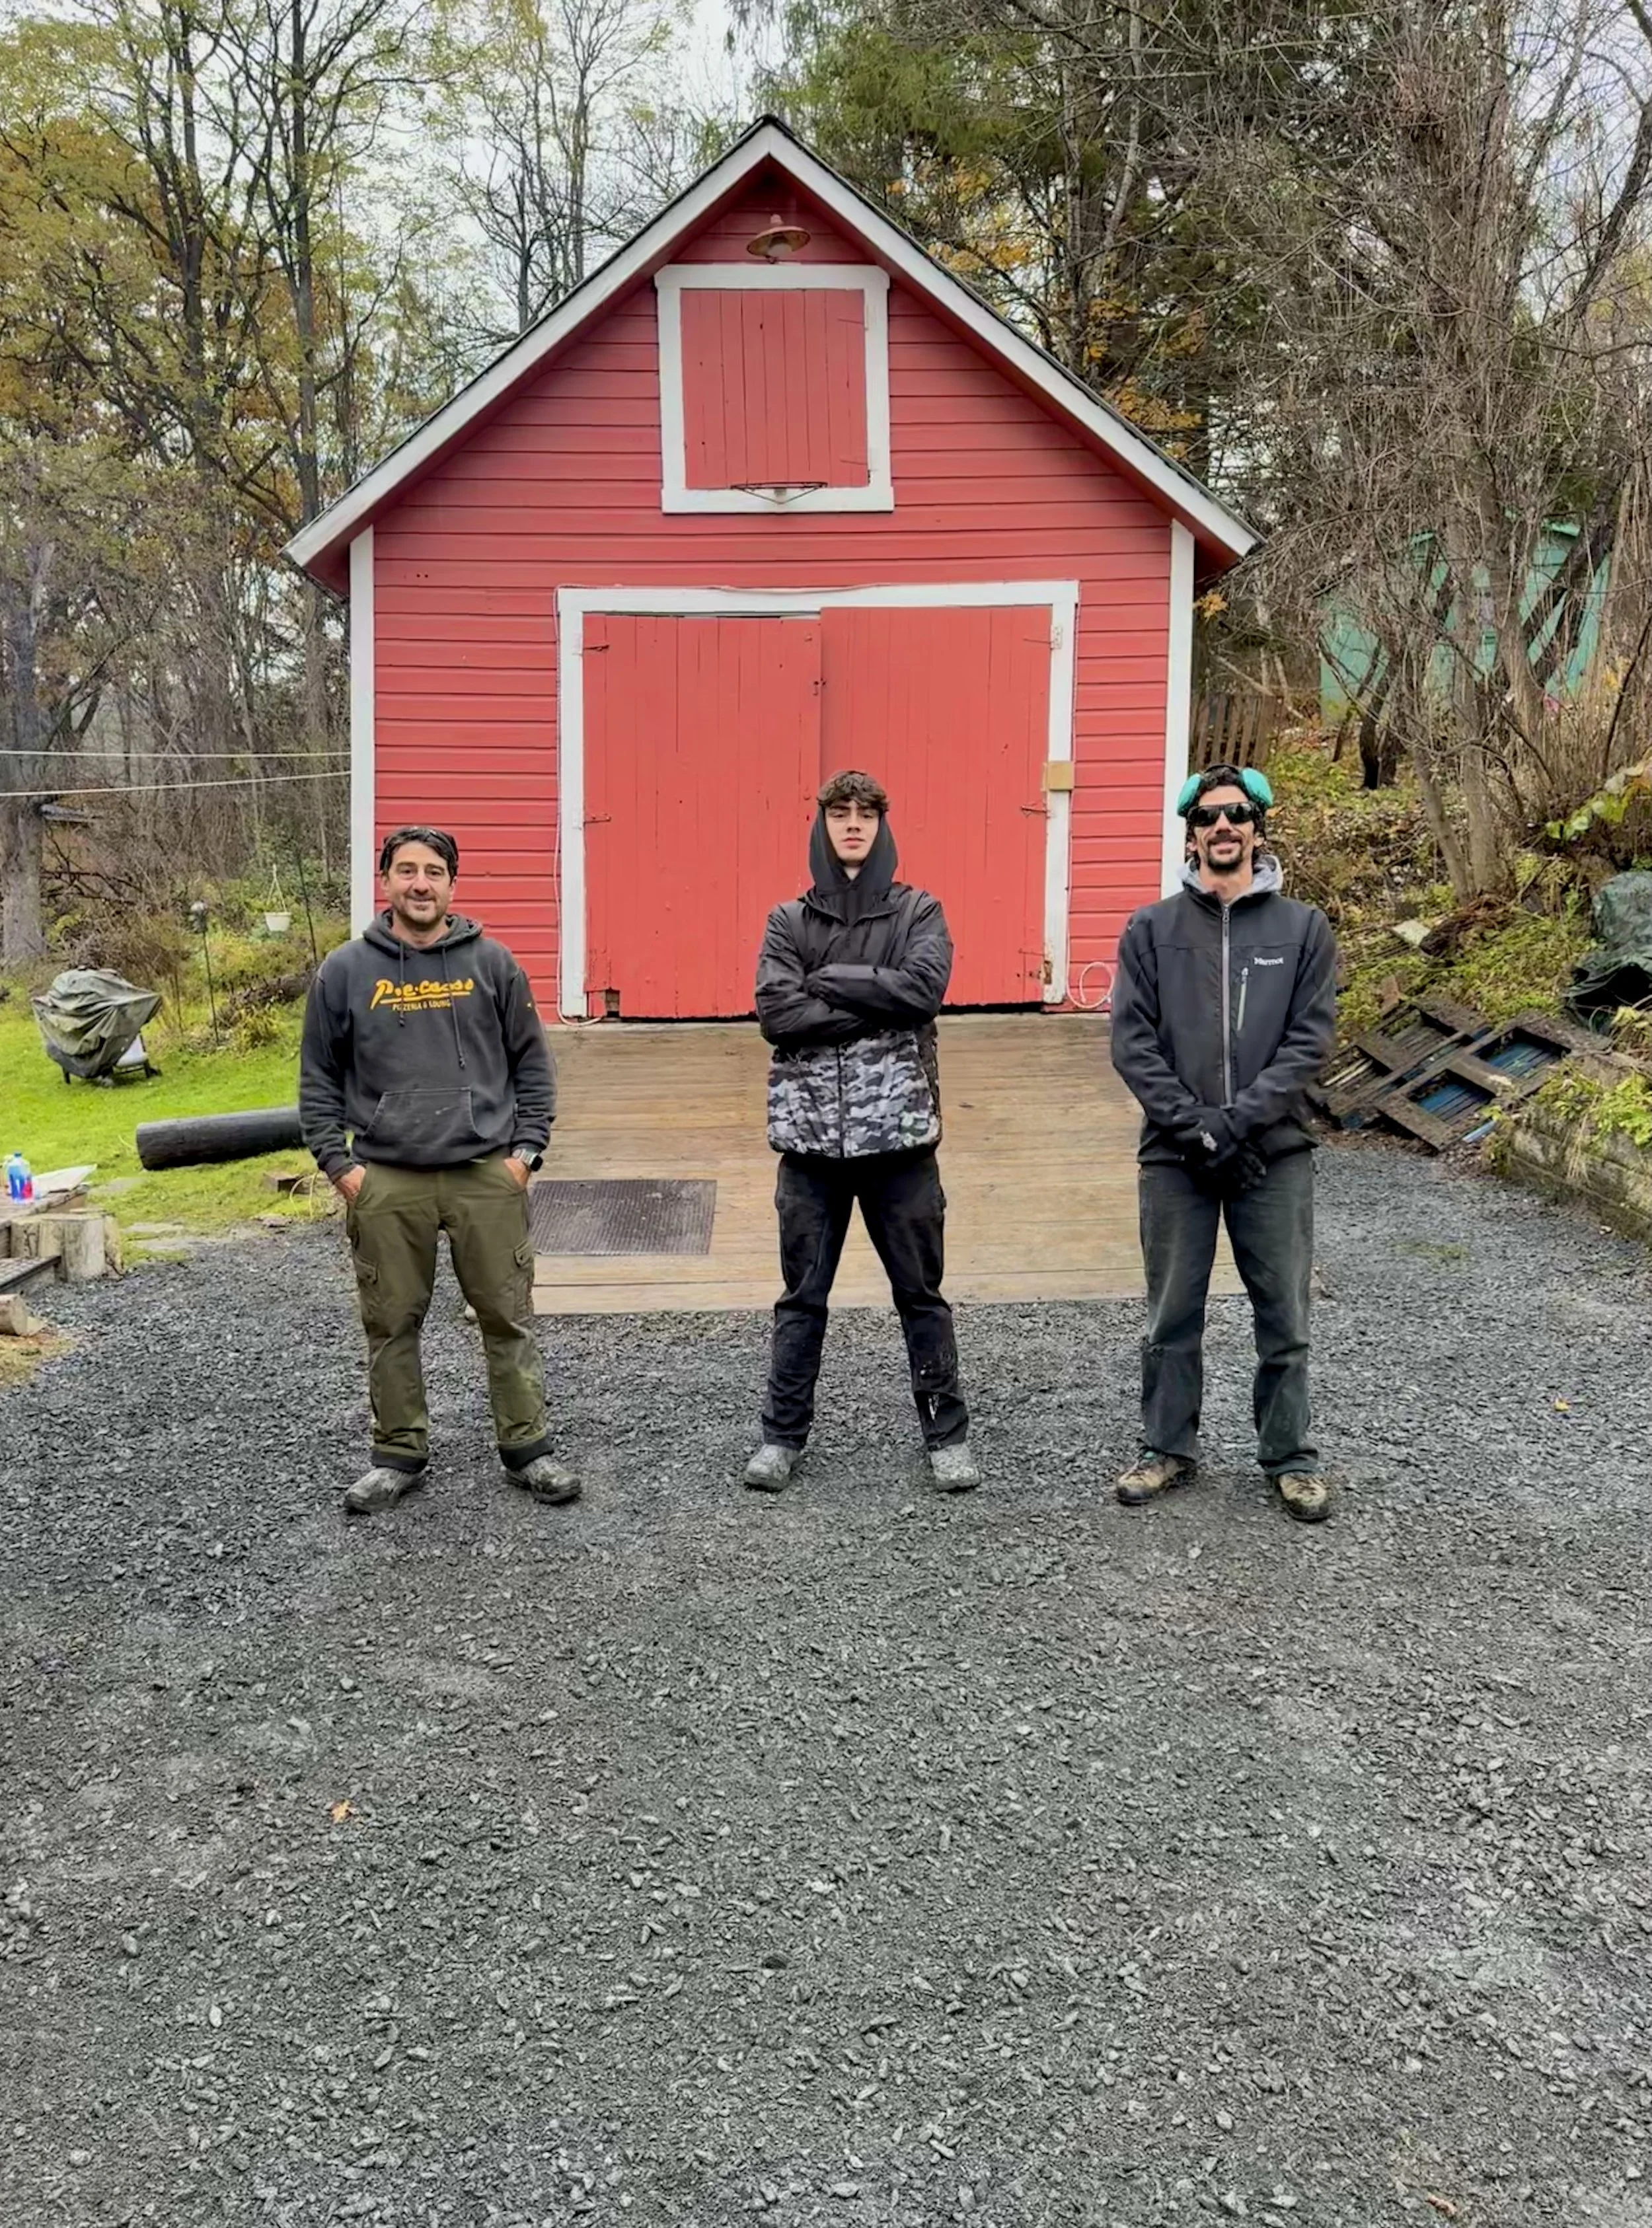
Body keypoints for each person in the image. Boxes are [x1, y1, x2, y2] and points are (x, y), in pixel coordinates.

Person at [299, 826, 579, 1516]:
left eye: (432, 872)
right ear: (385, 882)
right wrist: (340, 1167)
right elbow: (317, 1080)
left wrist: (525, 1155)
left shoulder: (493, 964)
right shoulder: (344, 972)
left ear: (453, 884)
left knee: (506, 1315)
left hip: (486, 1173)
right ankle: (397, 1454)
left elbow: (533, 1068)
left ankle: (528, 1449)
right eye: (405, 871)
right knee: (391, 1322)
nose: (419, 883)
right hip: (387, 1179)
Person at [1109, 764, 1337, 1522]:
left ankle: (1290, 1457)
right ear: (1191, 832)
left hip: (1272, 1153)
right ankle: (1166, 1448)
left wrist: (1235, 1123)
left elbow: (1307, 1043)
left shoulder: (1302, 929)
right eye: (1208, 817)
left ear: (1258, 826)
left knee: (1284, 1314)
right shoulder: (1151, 930)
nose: (1223, 828)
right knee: (1171, 1312)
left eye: (1236, 814)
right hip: (1176, 1154)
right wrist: (1195, 1126)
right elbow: (1133, 1045)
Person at [743, 771, 980, 1494]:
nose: (853, 825)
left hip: (901, 1145)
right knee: (800, 1300)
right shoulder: (788, 920)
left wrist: (827, 981)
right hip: (810, 1148)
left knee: (921, 1296)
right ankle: (781, 1438)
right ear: (821, 825)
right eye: (839, 814)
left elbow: (922, 993)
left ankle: (947, 1438)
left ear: (882, 825)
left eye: (865, 814)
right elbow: (776, 1015)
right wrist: (874, 994)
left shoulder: (919, 910)